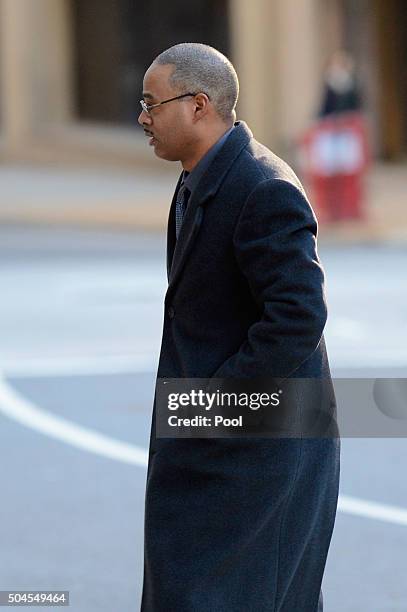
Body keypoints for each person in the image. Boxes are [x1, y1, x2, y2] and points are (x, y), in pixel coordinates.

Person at [138, 43, 340, 612]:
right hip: (216, 443)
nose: (143, 118)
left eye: (152, 104)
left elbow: (298, 316)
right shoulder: (199, 176)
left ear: (198, 105)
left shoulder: (263, 188)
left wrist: (212, 404)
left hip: (257, 452)